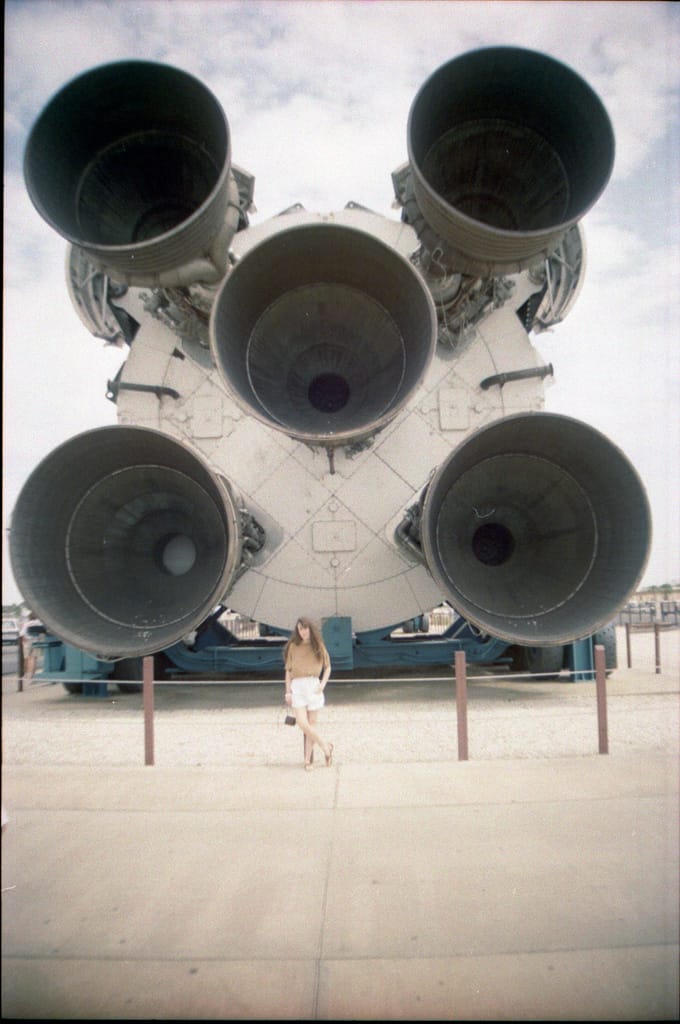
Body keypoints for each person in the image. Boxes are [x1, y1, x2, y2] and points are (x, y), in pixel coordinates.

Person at [283, 617, 334, 771]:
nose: (303, 632)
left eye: (305, 628)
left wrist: (322, 684)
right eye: (300, 629)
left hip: (313, 685)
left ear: (310, 629)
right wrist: (288, 691)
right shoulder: (293, 646)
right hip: (297, 686)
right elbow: (288, 671)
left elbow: (328, 667)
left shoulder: (318, 646)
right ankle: (325, 746)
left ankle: (308, 760)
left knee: (311, 724)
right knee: (302, 722)